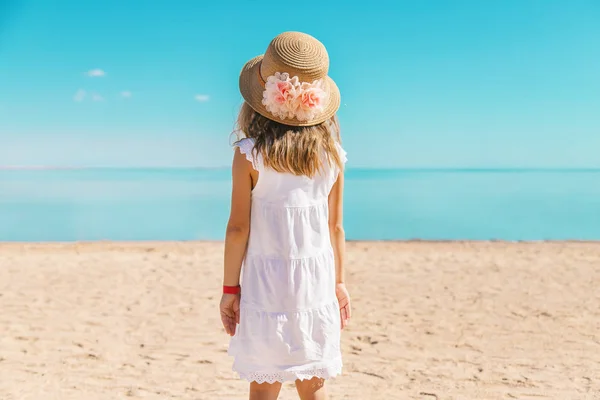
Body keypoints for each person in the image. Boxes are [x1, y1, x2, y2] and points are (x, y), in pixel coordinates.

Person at [219, 31, 351, 400]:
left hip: (266, 283)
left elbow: (238, 228)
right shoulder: (333, 156)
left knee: (263, 383)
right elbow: (335, 226)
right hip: (317, 280)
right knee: (314, 383)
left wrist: (230, 290)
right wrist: (340, 282)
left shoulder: (249, 154)